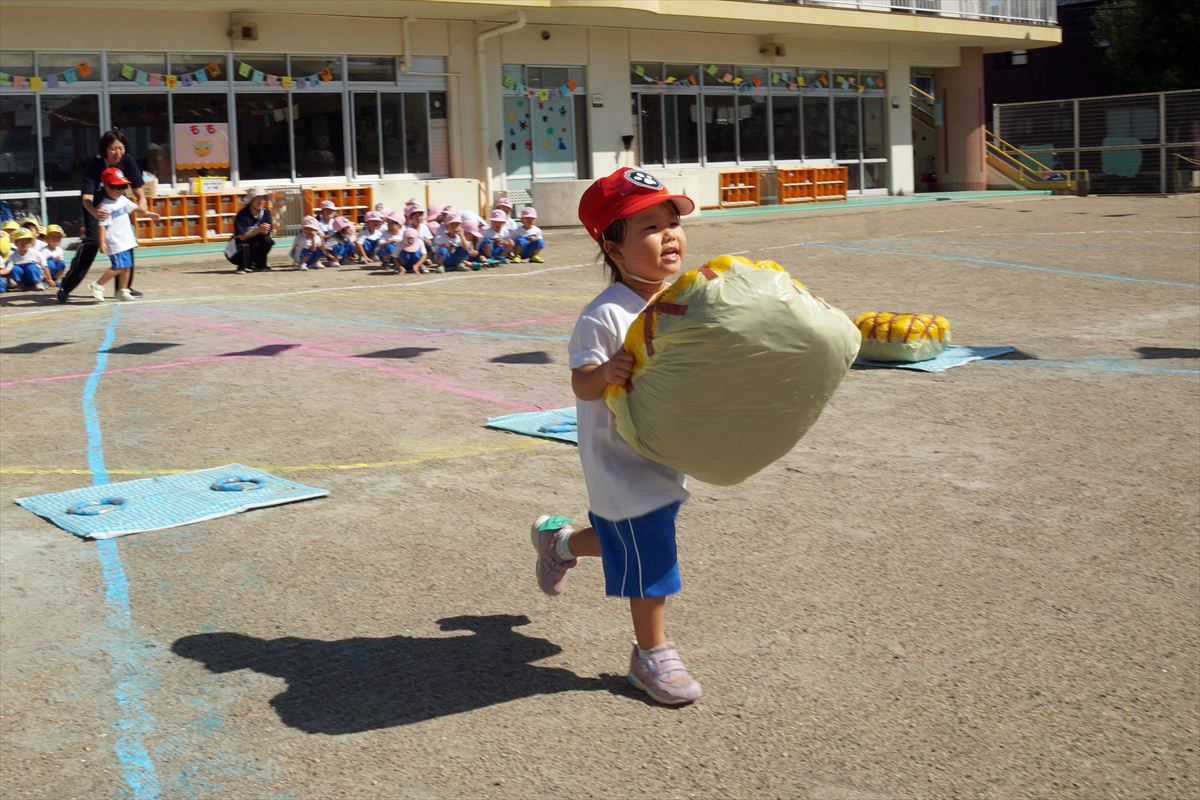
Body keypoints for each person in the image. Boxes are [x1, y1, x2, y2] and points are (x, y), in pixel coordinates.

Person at [530, 166, 701, 706]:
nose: (668, 234)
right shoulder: (605, 314)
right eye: (648, 227)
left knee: (624, 541)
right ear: (614, 247)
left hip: (662, 450)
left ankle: (558, 542)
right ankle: (651, 655)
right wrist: (604, 373)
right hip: (616, 458)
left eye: (671, 221)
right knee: (651, 550)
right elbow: (581, 384)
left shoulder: (681, 301)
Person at [58, 129, 147, 303]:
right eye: (113, 148)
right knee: (92, 242)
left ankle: (123, 288)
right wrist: (94, 212)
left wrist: (142, 204)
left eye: (121, 148)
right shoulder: (95, 164)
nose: (118, 152)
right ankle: (66, 287)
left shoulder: (127, 161)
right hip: (96, 204)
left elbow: (139, 192)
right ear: (105, 149)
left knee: (126, 240)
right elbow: (86, 198)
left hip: (118, 201)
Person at [88, 166, 161, 302]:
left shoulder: (123, 199)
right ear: (107, 187)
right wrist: (102, 242)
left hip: (126, 239)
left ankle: (122, 290)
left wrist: (150, 214)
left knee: (127, 266)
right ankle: (97, 285)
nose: (119, 190)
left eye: (122, 186)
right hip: (115, 241)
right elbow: (102, 226)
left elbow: (137, 209)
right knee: (118, 267)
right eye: (116, 186)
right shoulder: (105, 207)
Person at [231, 189, 274, 273]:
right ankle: (244, 265)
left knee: (267, 241)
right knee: (250, 243)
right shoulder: (242, 214)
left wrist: (264, 230)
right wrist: (258, 230)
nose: (262, 201)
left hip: (257, 242)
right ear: (251, 200)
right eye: (258, 198)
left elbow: (268, 233)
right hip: (239, 248)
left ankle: (260, 265)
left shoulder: (266, 212)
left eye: (263, 198)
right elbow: (242, 236)